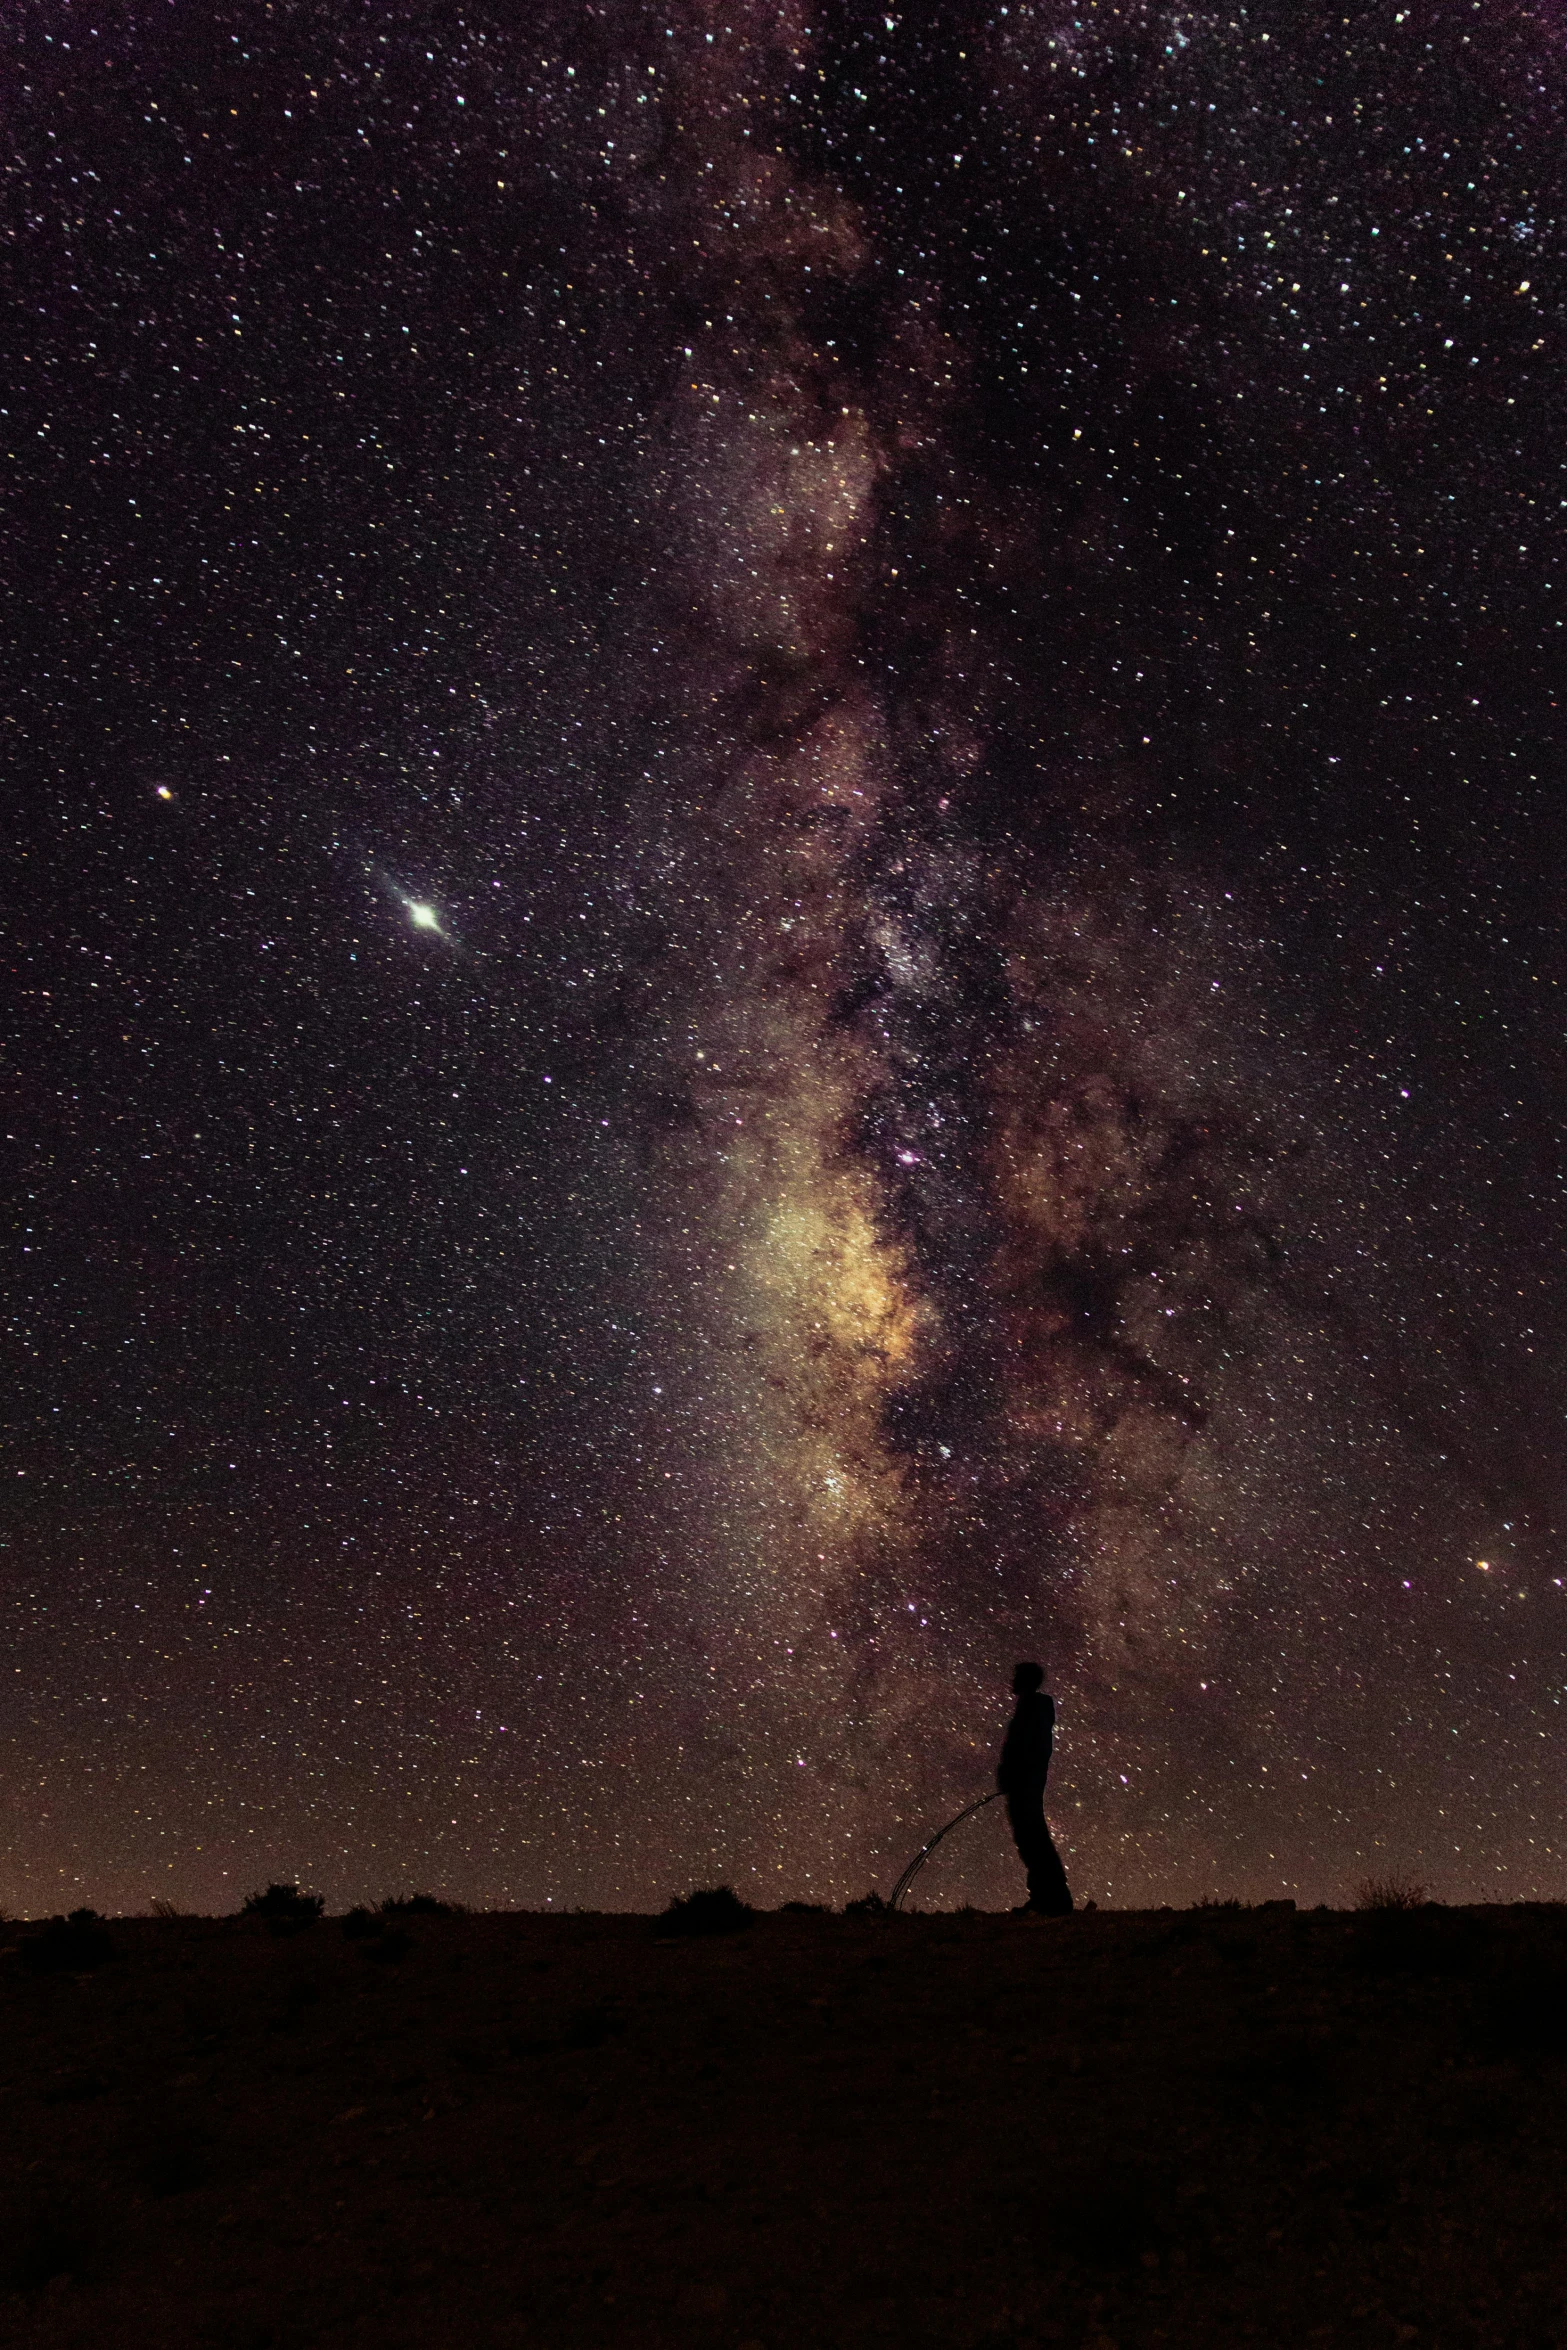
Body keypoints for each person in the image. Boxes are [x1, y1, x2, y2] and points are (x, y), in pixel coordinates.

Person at [998, 1661, 1073, 1916]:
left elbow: (1031, 1747)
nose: (1012, 1680)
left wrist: (1017, 1773)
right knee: (1030, 1838)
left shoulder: (1034, 1707)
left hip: (1026, 1782)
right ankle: (1048, 1897)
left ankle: (1052, 1898)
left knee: (1032, 1837)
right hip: (1025, 1781)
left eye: (1016, 1676)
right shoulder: (1033, 1706)